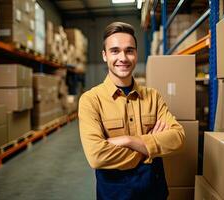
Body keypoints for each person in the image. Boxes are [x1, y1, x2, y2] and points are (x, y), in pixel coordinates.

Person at [78, 22, 185, 200]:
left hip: (154, 191)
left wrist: (128, 141)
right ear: (104, 55)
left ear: (135, 54)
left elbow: (178, 138)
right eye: (115, 51)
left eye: (129, 50)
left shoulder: (153, 97)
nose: (123, 58)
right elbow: (96, 156)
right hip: (114, 194)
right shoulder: (91, 100)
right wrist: (150, 148)